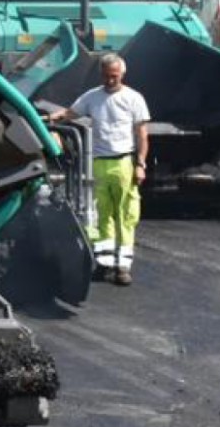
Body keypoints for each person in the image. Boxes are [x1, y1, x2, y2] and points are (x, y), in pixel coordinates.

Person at [45, 53, 150, 287]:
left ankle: (122, 266)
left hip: (124, 163)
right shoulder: (92, 97)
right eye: (106, 76)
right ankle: (104, 263)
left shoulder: (133, 99)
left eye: (114, 76)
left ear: (122, 74)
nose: (110, 80)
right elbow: (70, 113)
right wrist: (51, 118)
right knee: (103, 213)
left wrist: (140, 164)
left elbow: (142, 135)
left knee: (125, 214)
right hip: (100, 163)